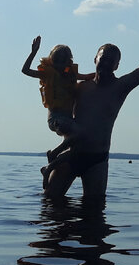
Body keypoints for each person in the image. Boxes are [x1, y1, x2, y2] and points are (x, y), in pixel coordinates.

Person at [43, 24, 139, 200]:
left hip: (96, 159)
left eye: (111, 61)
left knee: (94, 211)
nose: (106, 63)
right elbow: (55, 92)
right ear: (95, 59)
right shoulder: (80, 87)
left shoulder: (120, 87)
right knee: (50, 205)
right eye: (103, 58)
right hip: (69, 155)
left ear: (116, 66)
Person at [22, 36, 95, 171]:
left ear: (69, 62)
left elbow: (87, 77)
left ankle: (49, 168)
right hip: (55, 119)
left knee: (80, 144)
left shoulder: (71, 75)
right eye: (56, 61)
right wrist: (33, 52)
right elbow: (25, 70)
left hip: (69, 119)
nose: (60, 65)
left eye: (63, 61)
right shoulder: (47, 74)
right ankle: (54, 154)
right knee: (80, 133)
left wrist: (103, 75)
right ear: (51, 60)